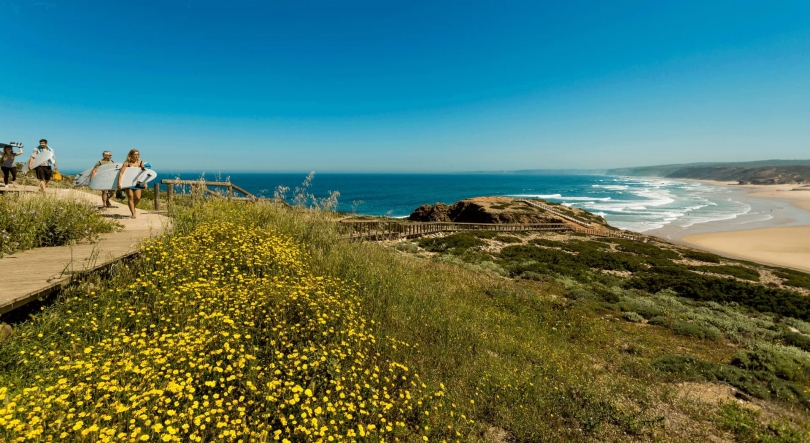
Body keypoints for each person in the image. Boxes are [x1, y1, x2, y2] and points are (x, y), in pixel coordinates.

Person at [118, 149, 146, 218]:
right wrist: (119, 183)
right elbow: (121, 173)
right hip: (128, 183)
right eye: (135, 154)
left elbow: (144, 174)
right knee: (130, 197)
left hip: (137, 183)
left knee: (138, 198)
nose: (137, 156)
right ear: (131, 155)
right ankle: (133, 213)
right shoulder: (126, 163)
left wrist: (145, 183)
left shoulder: (141, 163)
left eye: (138, 154)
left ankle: (132, 207)